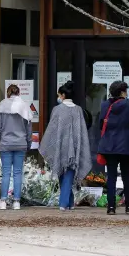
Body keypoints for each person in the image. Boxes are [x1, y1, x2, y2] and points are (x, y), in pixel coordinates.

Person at [39, 81, 92, 211]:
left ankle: (63, 203)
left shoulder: (57, 110)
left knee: (66, 175)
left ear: (63, 95)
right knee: (67, 174)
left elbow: (52, 130)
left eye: (59, 95)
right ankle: (70, 202)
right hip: (74, 147)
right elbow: (80, 132)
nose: (58, 97)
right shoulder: (78, 110)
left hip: (60, 147)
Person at [97, 80, 129, 215]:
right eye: (125, 91)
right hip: (126, 145)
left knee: (112, 176)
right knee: (127, 175)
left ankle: (111, 207)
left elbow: (100, 124)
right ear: (122, 92)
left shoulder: (105, 105)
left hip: (110, 145)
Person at [0, 84, 33, 210]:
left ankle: (3, 201)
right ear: (19, 92)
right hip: (21, 143)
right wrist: (28, 143)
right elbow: (29, 128)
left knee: (6, 173)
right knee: (17, 173)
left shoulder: (1, 105)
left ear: (7, 92)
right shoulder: (24, 106)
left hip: (5, 143)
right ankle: (17, 201)